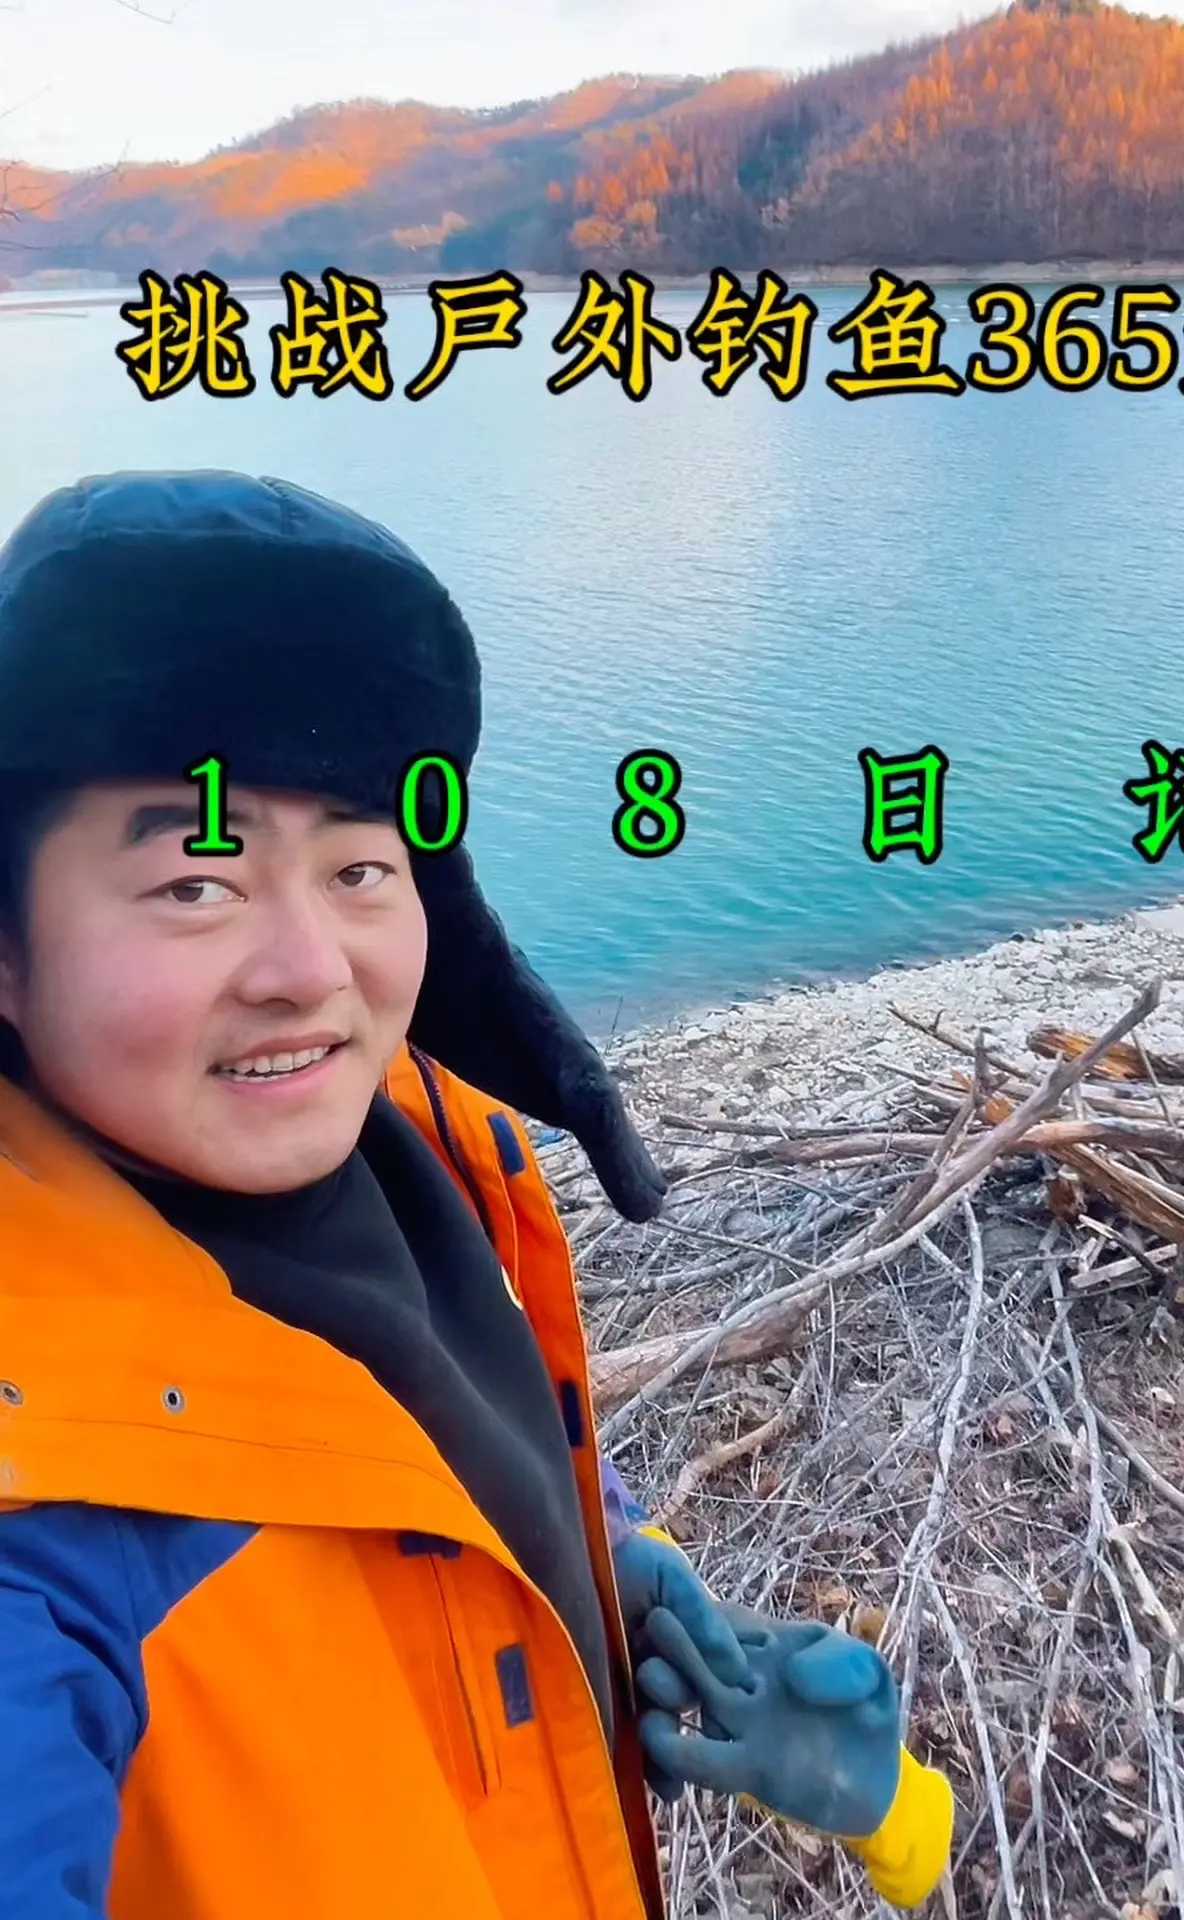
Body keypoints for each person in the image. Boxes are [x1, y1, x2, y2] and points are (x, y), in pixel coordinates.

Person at [0, 470, 953, 1919]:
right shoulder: (43, 1525)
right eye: (197, 881)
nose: (309, 969)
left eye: (358, 866)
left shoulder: (425, 1160)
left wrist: (612, 1568)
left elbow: (438, 1443)